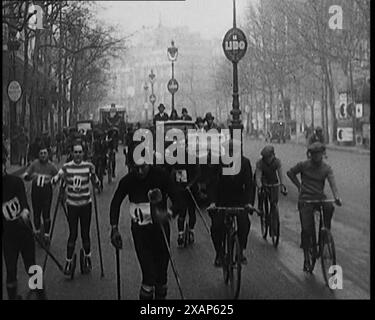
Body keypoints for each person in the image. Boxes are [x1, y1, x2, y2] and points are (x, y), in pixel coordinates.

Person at [109, 159, 181, 300]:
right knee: (148, 276)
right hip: (140, 233)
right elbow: (116, 202)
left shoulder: (161, 176)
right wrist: (114, 228)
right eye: (136, 168)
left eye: (143, 167)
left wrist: (169, 213)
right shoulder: (128, 180)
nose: (140, 171)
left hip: (160, 232)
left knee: (161, 276)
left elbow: (178, 198)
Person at [286, 142, 342, 272]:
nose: (317, 157)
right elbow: (290, 173)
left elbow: (332, 183)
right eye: (314, 154)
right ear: (310, 155)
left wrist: (337, 196)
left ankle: (325, 234)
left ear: (323, 154)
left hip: (319, 197)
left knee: (329, 207)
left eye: (319, 154)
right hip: (305, 199)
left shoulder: (326, 168)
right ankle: (307, 256)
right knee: (307, 229)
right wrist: (299, 186)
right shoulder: (304, 165)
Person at [2, 143, 46, 300]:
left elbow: (23, 201)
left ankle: (40, 293)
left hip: (24, 231)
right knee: (11, 269)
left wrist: (25, 212)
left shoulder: (15, 182)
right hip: (8, 237)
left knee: (31, 265)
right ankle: (13, 297)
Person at [51, 142, 100, 276]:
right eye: (75, 152)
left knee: (85, 233)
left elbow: (97, 184)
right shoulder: (66, 167)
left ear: (83, 153)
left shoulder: (88, 166)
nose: (78, 154)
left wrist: (95, 176)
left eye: (80, 152)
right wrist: (55, 180)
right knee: (73, 233)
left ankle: (88, 259)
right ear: (72, 153)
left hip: (85, 205)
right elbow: (58, 176)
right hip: (72, 205)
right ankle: (68, 261)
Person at [207, 139, 255, 266]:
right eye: (229, 151)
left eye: (234, 151)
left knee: (244, 224)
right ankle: (219, 253)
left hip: (239, 200)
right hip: (221, 199)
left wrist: (249, 203)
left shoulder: (245, 163)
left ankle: (241, 251)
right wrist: (212, 202)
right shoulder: (218, 163)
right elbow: (212, 184)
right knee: (216, 227)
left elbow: (249, 185)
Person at [23, 145, 58, 247]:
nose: (43, 155)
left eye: (45, 153)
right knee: (36, 213)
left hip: (46, 192)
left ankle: (47, 235)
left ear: (48, 154)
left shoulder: (51, 166)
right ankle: (37, 232)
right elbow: (26, 174)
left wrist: (53, 180)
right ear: (38, 155)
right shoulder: (34, 164)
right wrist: (27, 176)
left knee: (46, 213)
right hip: (36, 191)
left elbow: (57, 176)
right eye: (41, 154)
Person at [170, 148, 201, 246]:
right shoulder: (177, 160)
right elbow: (174, 173)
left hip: (192, 189)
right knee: (182, 211)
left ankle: (191, 231)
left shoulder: (193, 159)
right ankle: (180, 234)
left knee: (192, 211)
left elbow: (197, 174)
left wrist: (190, 185)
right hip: (181, 190)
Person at [255, 146, 287, 234]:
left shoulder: (277, 162)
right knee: (261, 194)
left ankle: (274, 227)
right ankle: (260, 208)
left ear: (273, 155)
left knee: (274, 203)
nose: (268, 159)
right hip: (264, 181)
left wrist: (282, 185)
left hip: (273, 182)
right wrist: (260, 185)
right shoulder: (260, 163)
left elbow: (280, 174)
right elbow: (258, 176)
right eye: (266, 158)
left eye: (269, 157)